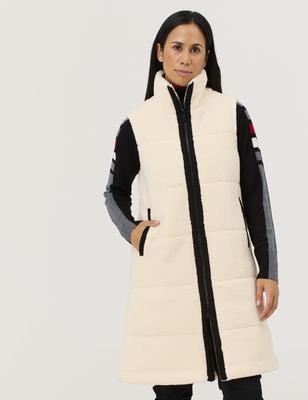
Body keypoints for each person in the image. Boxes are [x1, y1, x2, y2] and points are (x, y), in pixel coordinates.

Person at [103, 10, 280, 400]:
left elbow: (256, 196)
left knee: (245, 388)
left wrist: (268, 269)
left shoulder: (232, 114)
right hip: (166, 277)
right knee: (171, 392)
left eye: (196, 49)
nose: (186, 58)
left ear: (207, 56)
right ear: (160, 52)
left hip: (232, 277)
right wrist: (134, 232)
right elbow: (113, 192)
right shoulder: (137, 124)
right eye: (178, 47)